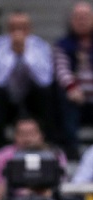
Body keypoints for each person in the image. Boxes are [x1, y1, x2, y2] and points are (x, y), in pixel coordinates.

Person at [0, 11, 56, 153]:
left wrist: (25, 55)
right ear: (8, 29)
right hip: (6, 100)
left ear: (29, 29)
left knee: (46, 93)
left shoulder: (41, 46)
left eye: (22, 28)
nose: (18, 32)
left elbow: (45, 81)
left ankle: (48, 142)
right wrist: (12, 55)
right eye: (14, 28)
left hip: (31, 98)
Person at [0, 117, 68, 200]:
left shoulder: (54, 155)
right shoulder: (1, 157)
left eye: (31, 133)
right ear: (15, 136)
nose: (27, 139)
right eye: (22, 134)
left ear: (41, 135)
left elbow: (61, 187)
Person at [53, 1, 93, 159]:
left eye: (85, 17)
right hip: (76, 100)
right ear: (71, 21)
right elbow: (61, 70)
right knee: (63, 95)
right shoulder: (62, 45)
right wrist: (71, 87)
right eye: (78, 17)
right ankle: (72, 151)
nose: (82, 21)